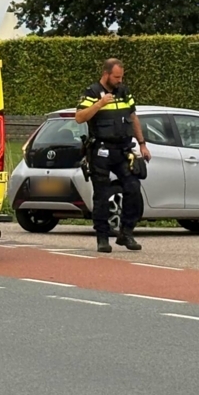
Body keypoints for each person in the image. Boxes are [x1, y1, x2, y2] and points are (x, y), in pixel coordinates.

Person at [75, 58, 152, 253]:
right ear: (106, 74)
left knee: (133, 188)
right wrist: (100, 104)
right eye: (116, 77)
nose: (119, 80)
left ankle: (126, 233)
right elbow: (79, 117)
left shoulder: (124, 92)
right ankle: (102, 238)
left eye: (121, 77)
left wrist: (142, 144)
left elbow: (133, 118)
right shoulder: (92, 92)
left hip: (123, 149)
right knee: (101, 195)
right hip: (101, 150)